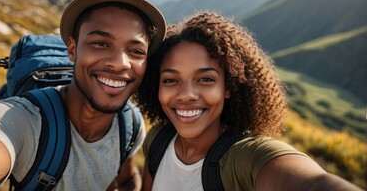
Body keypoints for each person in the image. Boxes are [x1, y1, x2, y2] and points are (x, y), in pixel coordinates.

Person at [0, 0, 166, 190]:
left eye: (136, 51)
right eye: (101, 43)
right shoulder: (24, 122)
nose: (119, 63)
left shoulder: (131, 123)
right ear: (72, 49)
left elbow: (126, 179)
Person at [135, 11, 362, 191]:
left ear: (228, 88)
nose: (186, 94)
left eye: (205, 79)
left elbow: (313, 183)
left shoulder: (246, 159)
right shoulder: (158, 140)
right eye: (170, 80)